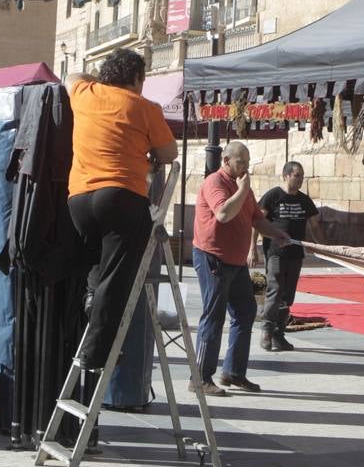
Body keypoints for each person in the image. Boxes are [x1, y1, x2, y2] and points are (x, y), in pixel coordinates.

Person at [66, 49, 177, 370]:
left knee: (98, 262)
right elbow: (168, 153)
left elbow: (70, 76)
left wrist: (96, 81)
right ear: (137, 79)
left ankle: (90, 297)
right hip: (121, 195)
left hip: (79, 200)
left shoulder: (86, 93)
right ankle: (95, 353)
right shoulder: (144, 107)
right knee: (118, 277)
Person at [193, 142, 292, 396]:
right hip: (213, 257)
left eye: (248, 163)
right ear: (226, 160)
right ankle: (199, 378)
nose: (246, 168)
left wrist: (277, 233)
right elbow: (224, 214)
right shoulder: (215, 182)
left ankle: (234, 372)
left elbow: (255, 218)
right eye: (241, 163)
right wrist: (243, 189)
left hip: (236, 262)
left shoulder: (242, 188)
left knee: (246, 312)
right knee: (213, 316)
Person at [251, 161, 319, 352]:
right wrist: (252, 249)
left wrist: (322, 246)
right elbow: (257, 221)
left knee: (287, 296)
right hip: (275, 252)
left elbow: (315, 225)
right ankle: (266, 330)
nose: (300, 179)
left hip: (295, 254)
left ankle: (278, 333)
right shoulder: (273, 196)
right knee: (275, 289)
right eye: (297, 175)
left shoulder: (305, 200)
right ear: (286, 176)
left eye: (302, 176)